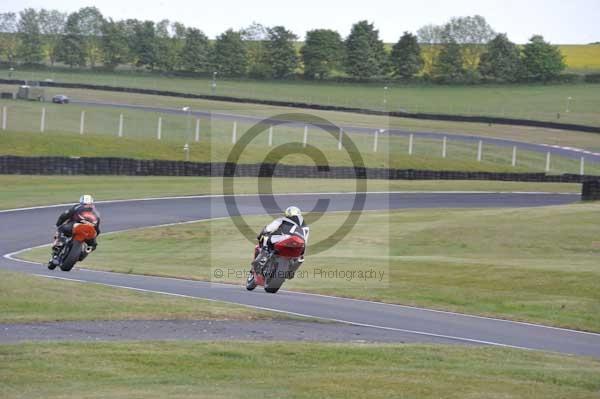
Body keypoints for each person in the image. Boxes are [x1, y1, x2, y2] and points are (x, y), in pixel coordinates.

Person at [48, 195, 101, 269]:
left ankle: (58, 246)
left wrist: (58, 224)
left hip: (75, 226)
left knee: (61, 229)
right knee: (93, 245)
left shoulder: (77, 207)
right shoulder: (97, 213)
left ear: (81, 202)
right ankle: (83, 253)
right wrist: (93, 239)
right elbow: (97, 230)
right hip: (89, 231)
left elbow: (64, 215)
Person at [252, 206, 309, 270]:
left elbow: (268, 228)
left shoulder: (283, 219)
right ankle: (292, 268)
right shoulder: (306, 227)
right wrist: (302, 252)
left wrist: (261, 235)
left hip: (285, 238)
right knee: (299, 257)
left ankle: (263, 258)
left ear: (288, 214)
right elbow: (305, 241)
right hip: (299, 246)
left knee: (266, 239)